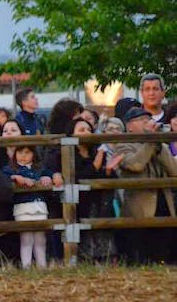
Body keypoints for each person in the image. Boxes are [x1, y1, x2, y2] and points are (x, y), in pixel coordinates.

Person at [113, 107, 177, 263]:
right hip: (140, 210)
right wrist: (150, 142)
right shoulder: (123, 145)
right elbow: (135, 165)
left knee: (165, 257)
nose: (147, 123)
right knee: (140, 258)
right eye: (142, 121)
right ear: (129, 126)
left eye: (149, 120)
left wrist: (158, 144)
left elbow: (174, 170)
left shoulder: (159, 144)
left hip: (165, 207)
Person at [67, 118, 116, 262]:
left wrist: (108, 171)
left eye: (89, 129)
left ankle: (108, 260)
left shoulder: (97, 152)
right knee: (85, 239)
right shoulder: (66, 154)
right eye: (81, 130)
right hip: (80, 205)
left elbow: (107, 179)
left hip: (100, 203)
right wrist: (96, 164)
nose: (86, 133)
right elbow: (76, 177)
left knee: (103, 236)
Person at [2, 145, 52, 269]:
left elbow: (50, 174)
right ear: (14, 154)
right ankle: (26, 266)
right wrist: (16, 178)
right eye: (20, 152)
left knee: (40, 239)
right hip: (22, 208)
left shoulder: (40, 169)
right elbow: (3, 177)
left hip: (40, 206)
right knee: (26, 239)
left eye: (27, 152)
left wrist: (48, 177)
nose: (23, 156)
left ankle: (42, 266)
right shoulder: (10, 169)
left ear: (34, 154)